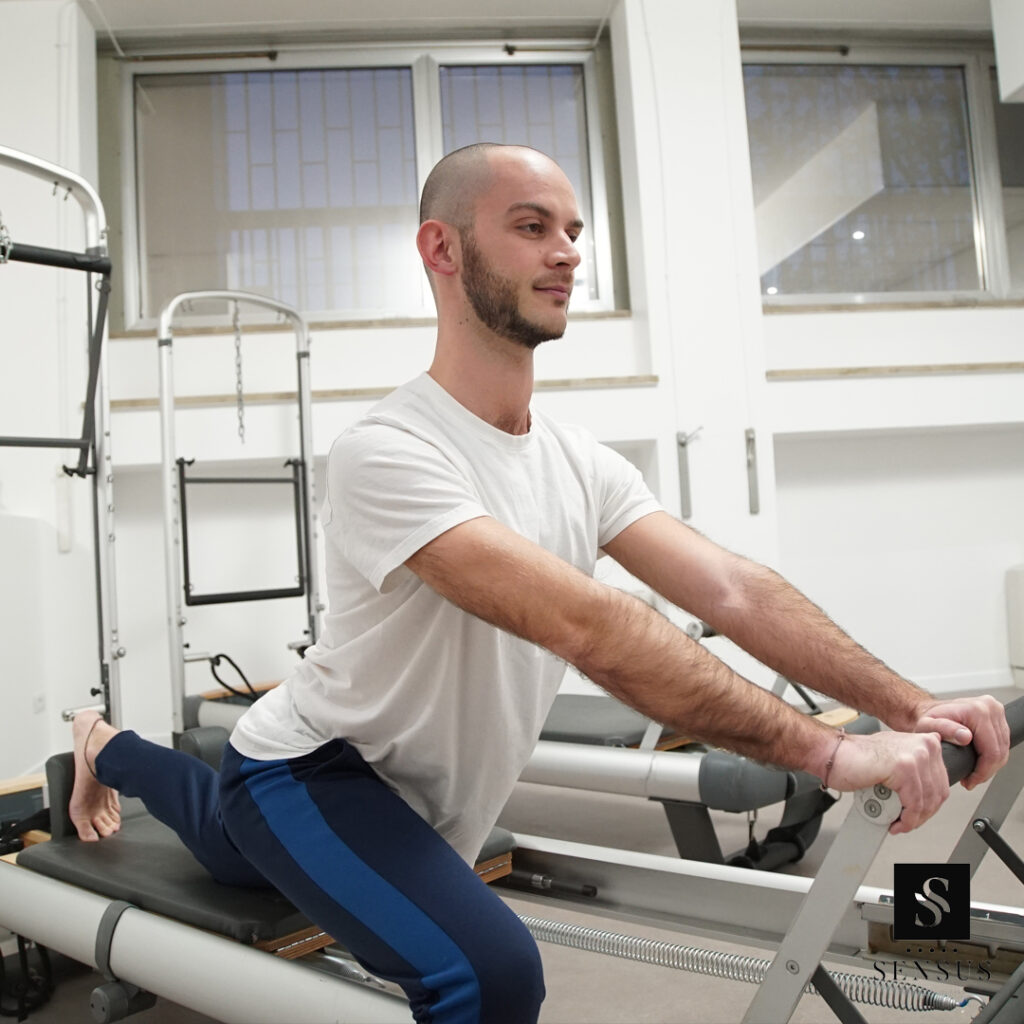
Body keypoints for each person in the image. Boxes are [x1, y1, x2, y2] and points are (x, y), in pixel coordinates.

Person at [68, 143, 1011, 1024]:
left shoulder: (576, 459)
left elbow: (730, 588)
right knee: (490, 977)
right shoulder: (388, 451)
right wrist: (833, 755)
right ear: (442, 247)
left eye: (573, 232)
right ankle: (107, 746)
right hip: (314, 771)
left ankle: (102, 744)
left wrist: (912, 705)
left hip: (414, 800)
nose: (565, 253)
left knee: (224, 844)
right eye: (531, 227)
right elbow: (591, 626)